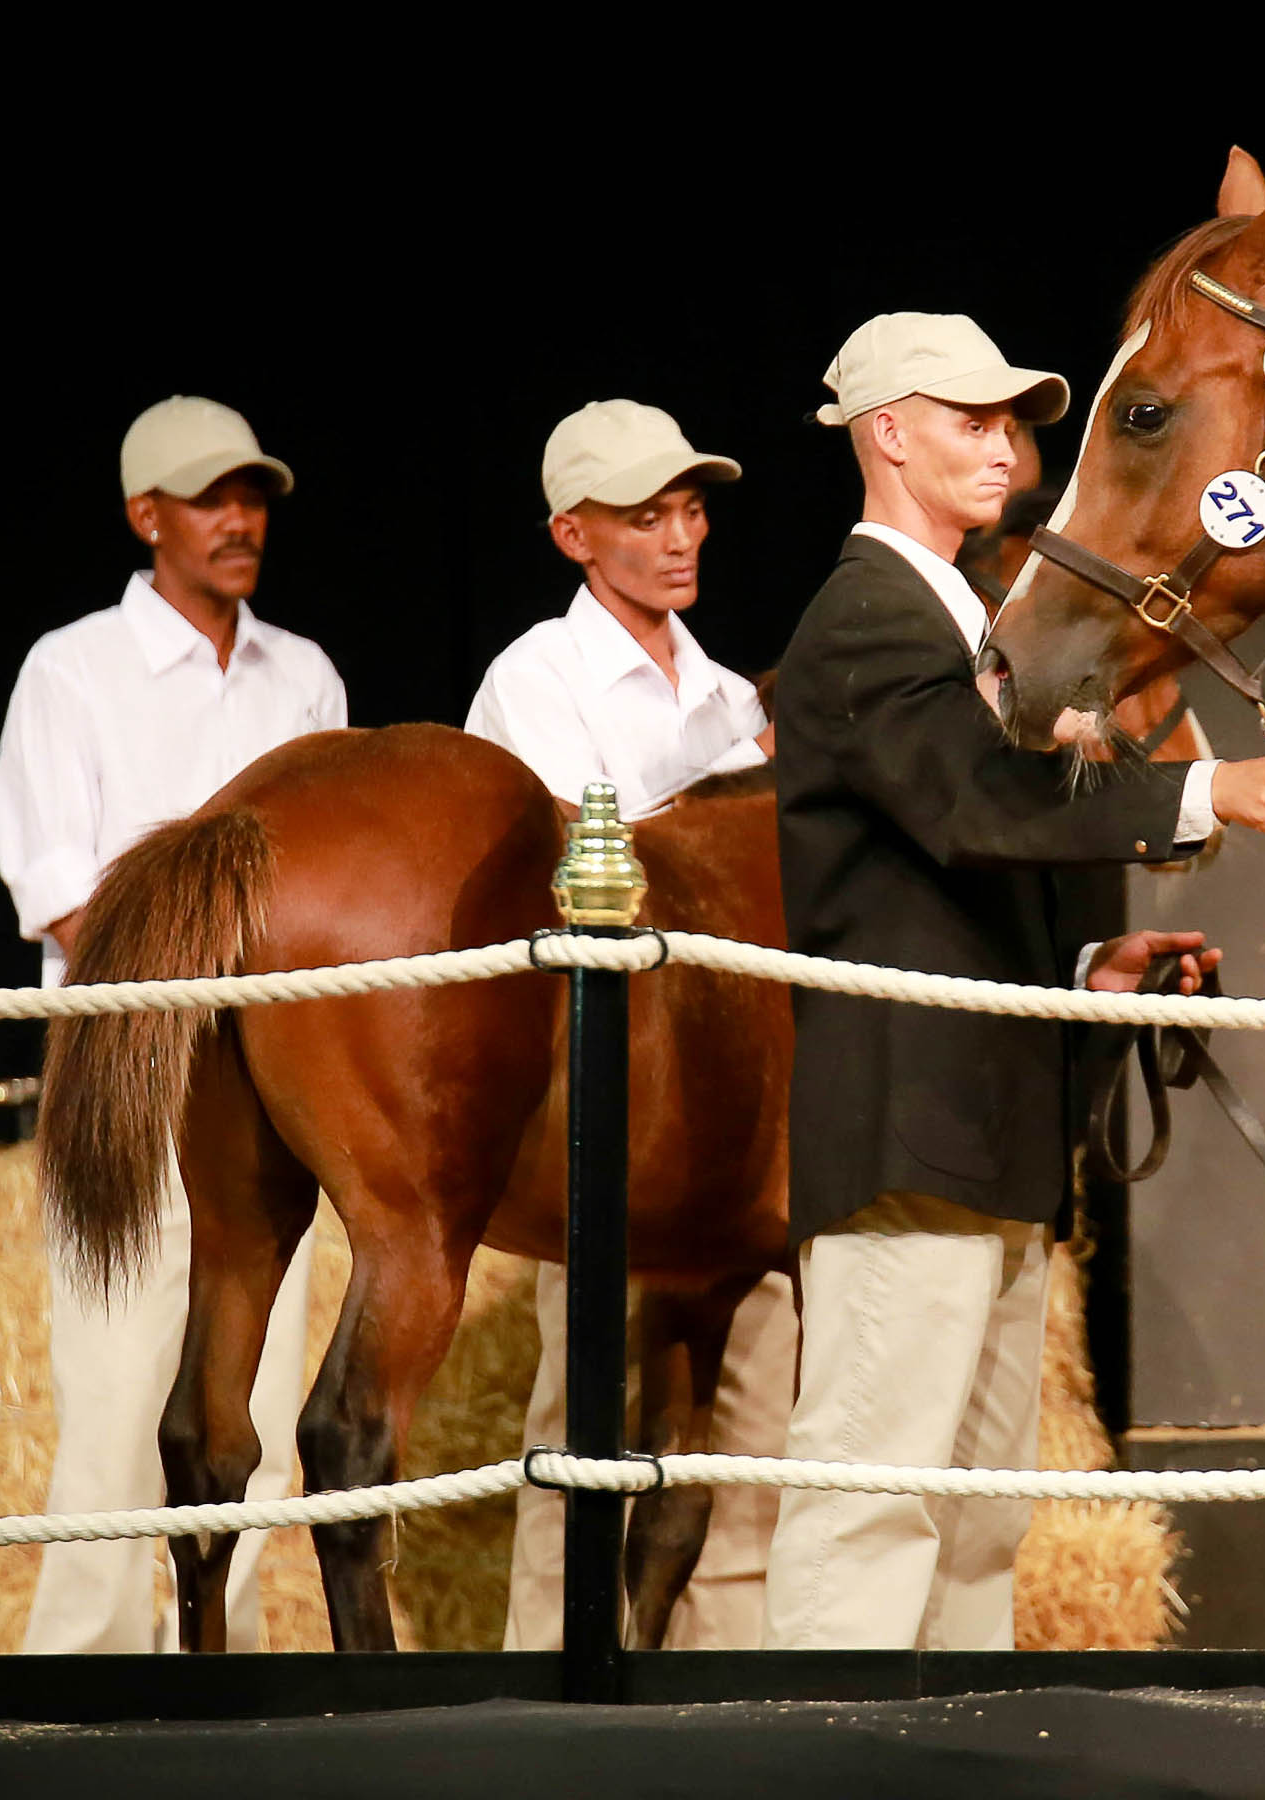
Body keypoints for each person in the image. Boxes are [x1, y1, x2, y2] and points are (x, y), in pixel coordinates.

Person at [764, 313, 1265, 1649]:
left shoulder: (962, 620)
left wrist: (1092, 966)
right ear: (886, 433)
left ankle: (949, 1741)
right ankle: (817, 1746)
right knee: (872, 1495)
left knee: (978, 1516)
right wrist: (1207, 790)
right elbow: (975, 806)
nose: (1005, 449)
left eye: (1010, 424)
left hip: (983, 1136)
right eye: (971, 421)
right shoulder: (864, 618)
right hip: (911, 1131)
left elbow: (948, 877)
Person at [0, 396, 345, 1652]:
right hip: (129, 1079)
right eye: (212, 499)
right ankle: (82, 1692)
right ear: (147, 516)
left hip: (271, 1100)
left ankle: (221, 1683)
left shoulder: (304, 677)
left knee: (252, 1413)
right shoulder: (71, 669)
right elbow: (62, 896)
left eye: (253, 498)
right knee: (110, 1406)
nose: (241, 520)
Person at [464, 398, 795, 1650]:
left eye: (691, 510)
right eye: (647, 516)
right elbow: (582, 875)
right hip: (614, 1110)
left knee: (752, 1425)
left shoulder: (723, 690)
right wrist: (744, 788)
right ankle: (548, 1690)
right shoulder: (533, 681)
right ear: (573, 535)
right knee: (583, 1420)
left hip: (742, 1117)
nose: (681, 537)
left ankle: (726, 1695)